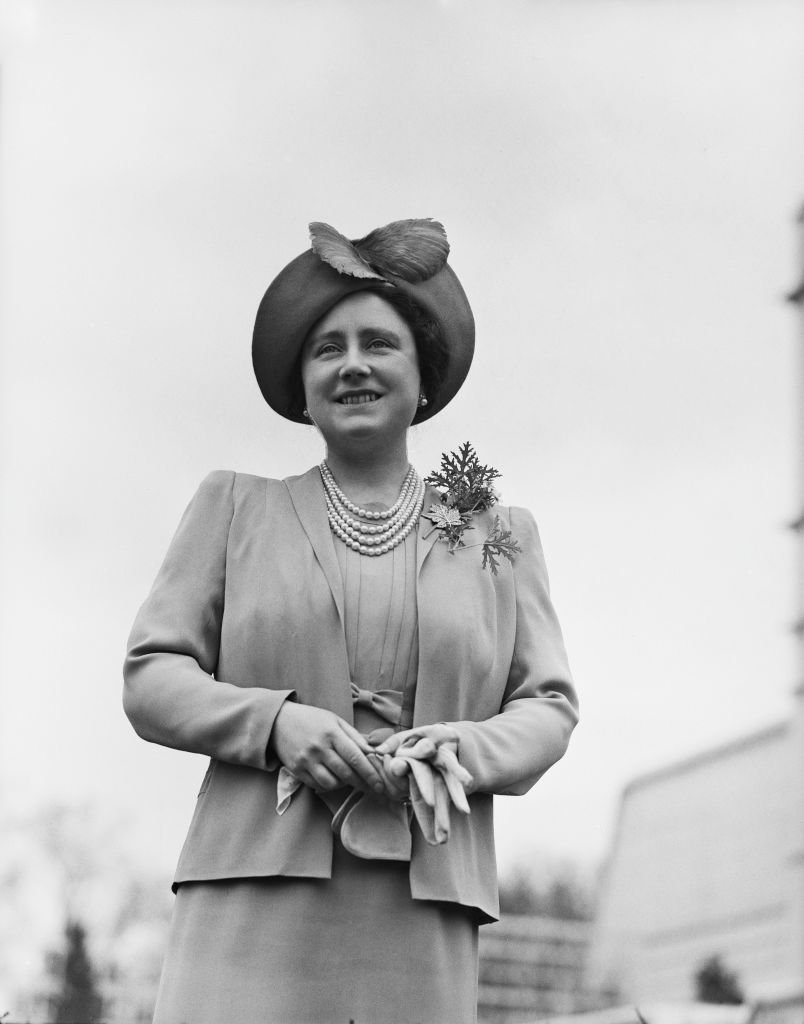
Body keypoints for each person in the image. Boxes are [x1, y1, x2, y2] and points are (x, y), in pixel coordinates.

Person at [123, 218, 578, 1024]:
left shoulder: (498, 535)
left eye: (379, 343)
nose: (354, 364)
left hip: (425, 892)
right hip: (250, 889)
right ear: (300, 384)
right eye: (327, 348)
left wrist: (461, 748)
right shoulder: (233, 508)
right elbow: (153, 677)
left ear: (423, 376)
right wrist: (275, 725)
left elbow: (547, 706)